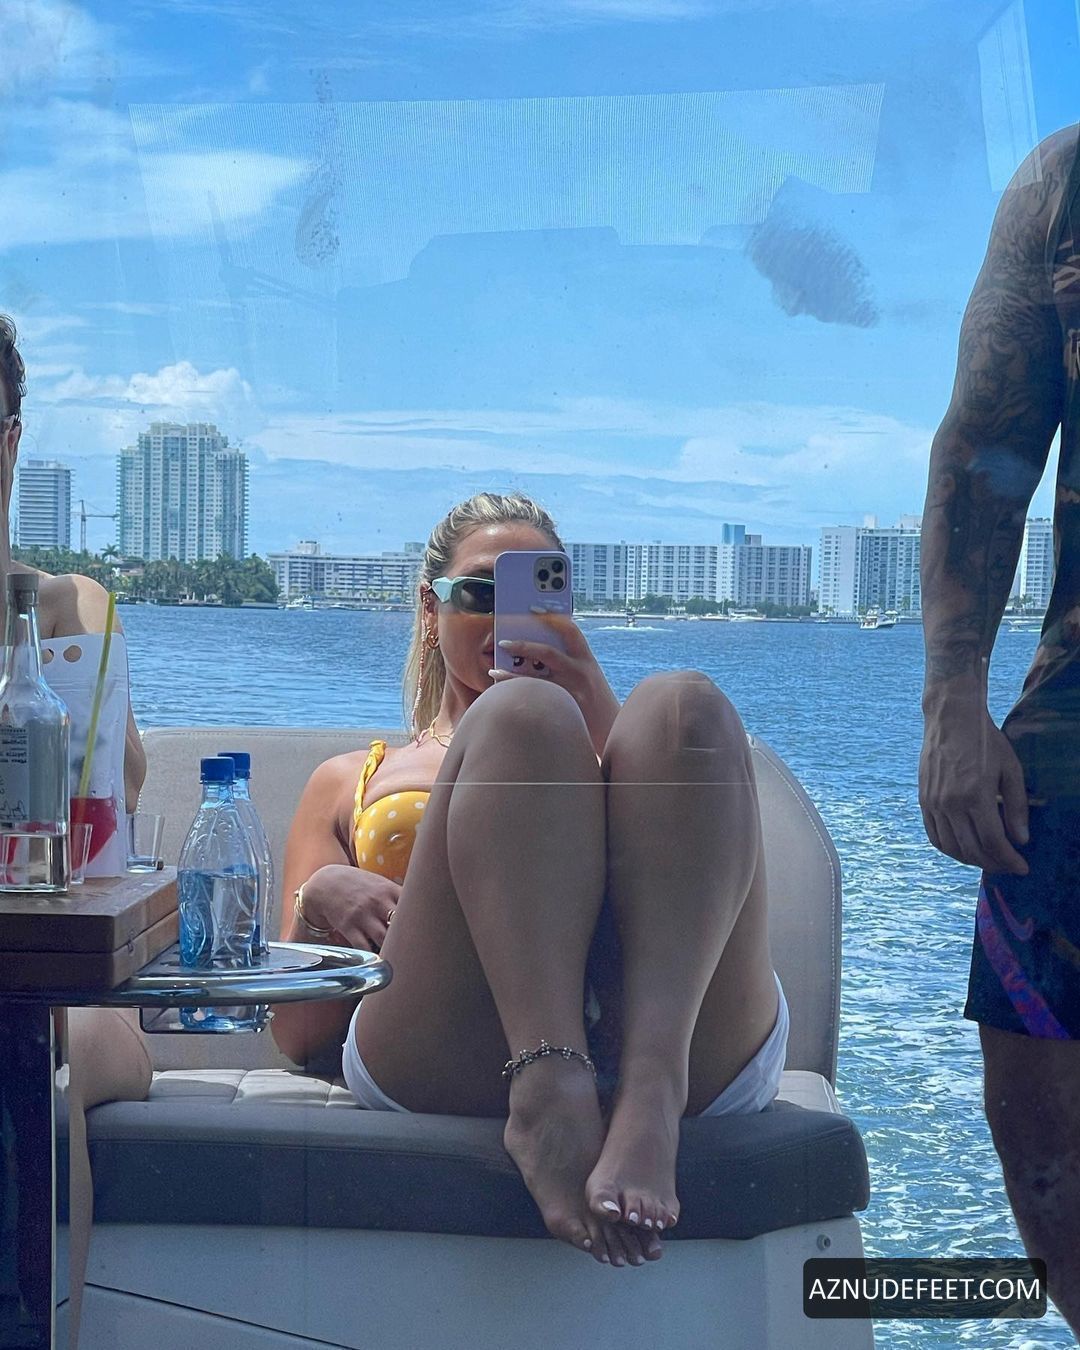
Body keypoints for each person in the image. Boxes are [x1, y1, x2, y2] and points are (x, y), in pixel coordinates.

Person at [273, 491, 787, 1268]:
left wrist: (598, 716)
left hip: (666, 1028)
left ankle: (652, 1090)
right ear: (430, 609)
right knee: (521, 720)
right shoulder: (351, 779)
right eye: (481, 591)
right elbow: (296, 1036)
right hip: (450, 1041)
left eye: (540, 592)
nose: (505, 614)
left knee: (685, 704)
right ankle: (550, 1085)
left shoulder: (635, 745)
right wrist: (319, 899)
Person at [919, 125, 1080, 1334]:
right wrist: (952, 701)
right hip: (1075, 743)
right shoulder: (1065, 179)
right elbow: (984, 444)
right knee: (1041, 1128)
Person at [0, 314, 152, 1348]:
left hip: (72, 996)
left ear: (9, 440)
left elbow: (108, 793)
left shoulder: (66, 610)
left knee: (27, 1047)